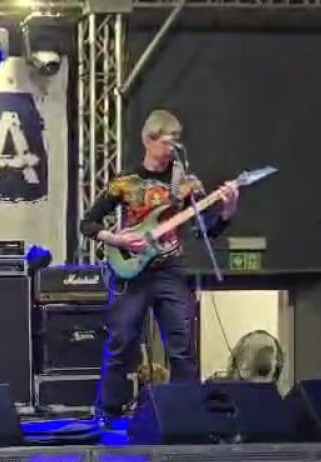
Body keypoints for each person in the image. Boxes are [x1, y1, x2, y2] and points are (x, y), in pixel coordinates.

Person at [79, 109, 240, 426]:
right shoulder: (125, 182)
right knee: (121, 341)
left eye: (176, 143)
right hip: (132, 270)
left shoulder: (186, 184)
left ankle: (188, 413)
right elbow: (88, 223)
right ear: (149, 141)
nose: (171, 149)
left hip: (170, 270)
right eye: (167, 142)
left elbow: (206, 231)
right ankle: (107, 412)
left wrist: (229, 208)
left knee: (182, 344)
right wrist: (117, 239)